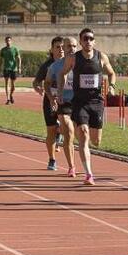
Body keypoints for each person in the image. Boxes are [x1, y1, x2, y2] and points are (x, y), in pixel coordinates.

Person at [55, 28, 116, 185]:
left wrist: (112, 86)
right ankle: (89, 174)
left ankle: (88, 148)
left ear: (94, 41)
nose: (88, 41)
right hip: (80, 102)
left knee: (96, 141)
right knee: (82, 132)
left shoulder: (101, 57)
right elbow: (62, 74)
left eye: (90, 38)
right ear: (81, 41)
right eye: (85, 39)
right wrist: (60, 92)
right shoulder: (73, 59)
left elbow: (111, 73)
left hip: (97, 102)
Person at [46, 37, 78, 177]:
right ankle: (71, 166)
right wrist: (52, 98)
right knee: (69, 132)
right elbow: (46, 83)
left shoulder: (82, 64)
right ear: (63, 48)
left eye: (74, 46)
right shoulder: (54, 66)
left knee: (86, 135)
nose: (71, 49)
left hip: (79, 102)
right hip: (63, 101)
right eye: (68, 46)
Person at [32, 37, 64, 171]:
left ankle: (59, 131)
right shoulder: (47, 66)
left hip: (66, 100)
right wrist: (38, 88)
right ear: (52, 50)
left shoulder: (70, 63)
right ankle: (52, 160)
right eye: (57, 47)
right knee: (50, 130)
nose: (61, 49)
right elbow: (36, 82)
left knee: (68, 126)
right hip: (50, 100)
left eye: (63, 47)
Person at [0, 36, 21, 104]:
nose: (8, 42)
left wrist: (19, 67)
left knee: (13, 85)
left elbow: (19, 58)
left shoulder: (15, 49)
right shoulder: (3, 50)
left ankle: (11, 95)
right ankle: (7, 99)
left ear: (11, 41)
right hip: (6, 68)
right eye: (7, 41)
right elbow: (1, 60)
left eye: (9, 40)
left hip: (13, 69)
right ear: (5, 42)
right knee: (6, 83)